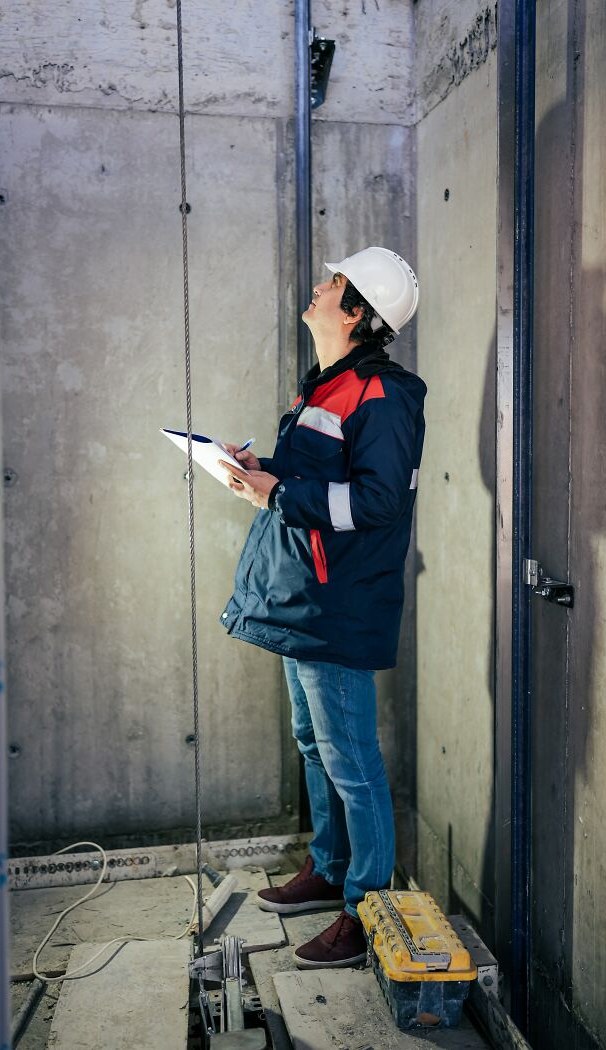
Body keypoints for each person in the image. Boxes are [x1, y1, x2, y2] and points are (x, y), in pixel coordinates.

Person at [219, 247, 425, 967]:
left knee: (353, 761)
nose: (318, 286)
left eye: (332, 283)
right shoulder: (326, 388)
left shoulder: (385, 395)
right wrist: (258, 472)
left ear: (357, 311)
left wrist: (278, 493)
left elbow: (375, 502)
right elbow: (313, 484)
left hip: (337, 608)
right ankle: (329, 866)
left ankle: (366, 910)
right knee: (315, 743)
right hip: (302, 600)